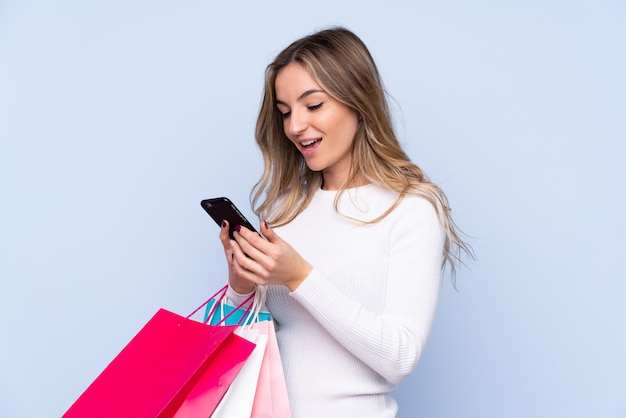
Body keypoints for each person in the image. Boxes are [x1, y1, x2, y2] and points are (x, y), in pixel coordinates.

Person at [217, 27, 472, 417]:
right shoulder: (286, 210)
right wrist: (241, 284)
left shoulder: (412, 208)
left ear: (358, 102)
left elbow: (400, 357)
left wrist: (300, 276)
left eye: (313, 105)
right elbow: (244, 343)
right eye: (285, 112)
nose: (294, 126)